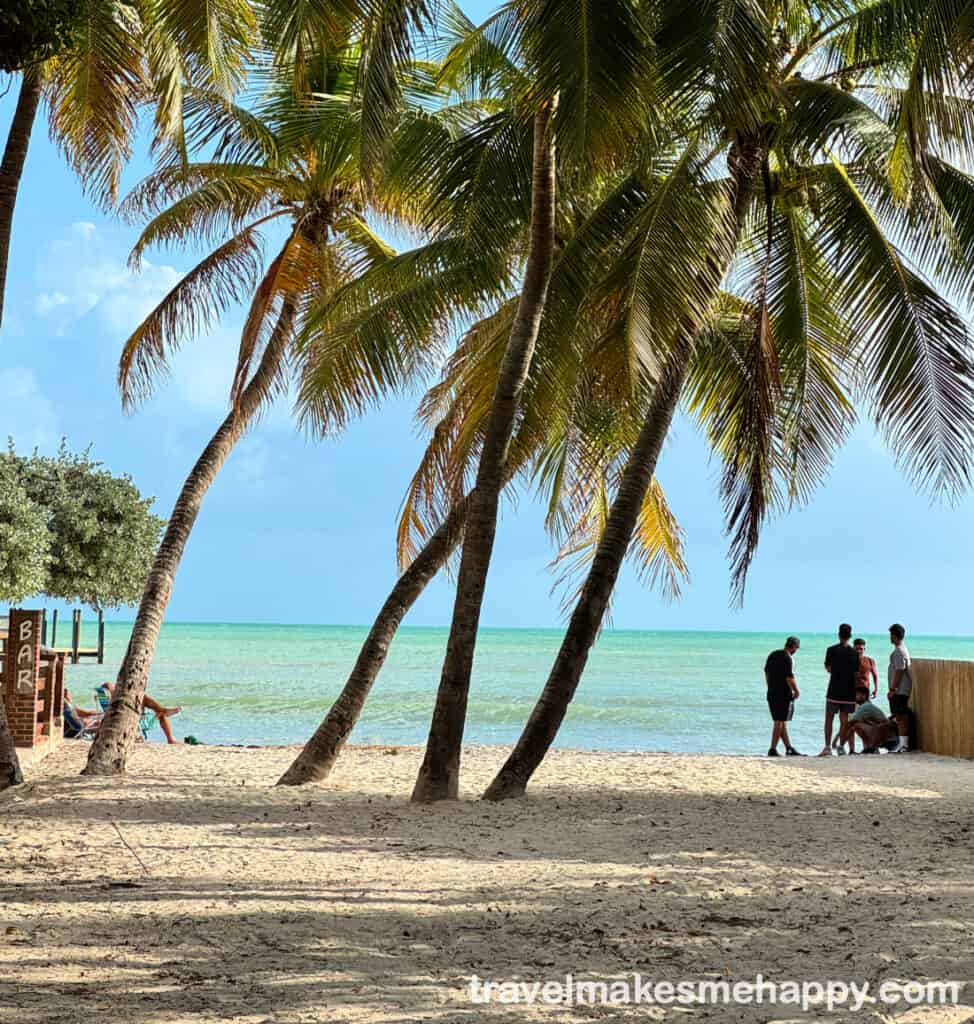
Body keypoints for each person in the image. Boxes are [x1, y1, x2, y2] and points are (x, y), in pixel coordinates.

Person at [95, 682, 183, 744]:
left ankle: (162, 710)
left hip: (126, 716)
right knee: (159, 712)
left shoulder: (111, 706)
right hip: (134, 721)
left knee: (140, 696)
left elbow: (107, 688)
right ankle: (170, 737)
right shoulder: (114, 708)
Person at [821, 623, 860, 756]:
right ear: (850, 636)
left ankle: (827, 746)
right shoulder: (855, 653)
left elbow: (828, 669)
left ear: (839, 635)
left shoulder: (831, 650)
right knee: (844, 720)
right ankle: (841, 746)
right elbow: (856, 674)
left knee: (829, 718)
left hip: (834, 690)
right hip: (849, 692)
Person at [764, 636, 803, 757]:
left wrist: (769, 686)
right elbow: (789, 677)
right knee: (779, 722)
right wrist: (796, 691)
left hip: (771, 692)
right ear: (794, 647)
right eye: (796, 648)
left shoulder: (773, 654)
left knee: (781, 721)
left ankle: (788, 748)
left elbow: (766, 672)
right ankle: (773, 749)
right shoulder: (788, 658)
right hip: (783, 694)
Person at [838, 685, 897, 753]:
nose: (854, 697)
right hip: (885, 735)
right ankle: (870, 747)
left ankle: (871, 747)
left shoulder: (865, 707)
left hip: (888, 738)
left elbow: (850, 723)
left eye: (856, 695)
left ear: (864, 695)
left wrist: (838, 741)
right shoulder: (865, 706)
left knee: (856, 725)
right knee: (857, 725)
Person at [887, 623, 913, 753]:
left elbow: (899, 670)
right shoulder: (902, 650)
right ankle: (902, 744)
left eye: (891, 634)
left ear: (894, 635)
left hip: (900, 690)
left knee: (901, 717)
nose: (890, 637)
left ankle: (904, 745)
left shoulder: (899, 652)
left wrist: (893, 689)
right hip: (901, 689)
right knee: (899, 716)